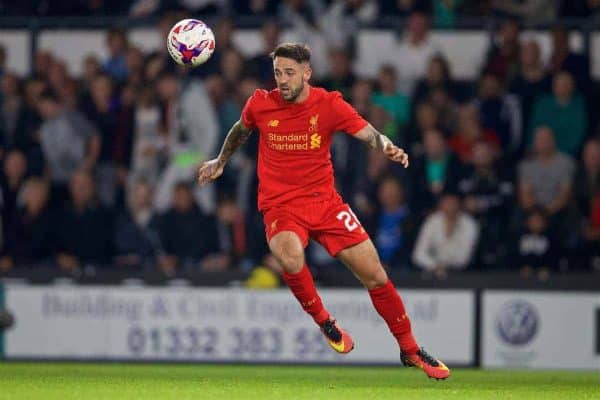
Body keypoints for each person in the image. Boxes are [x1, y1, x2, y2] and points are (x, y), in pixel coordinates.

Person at [198, 43, 450, 379]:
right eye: (278, 73)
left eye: (289, 73)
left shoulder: (329, 104)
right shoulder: (261, 103)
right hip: (281, 206)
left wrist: (388, 147)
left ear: (307, 73)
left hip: (326, 204)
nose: (283, 80)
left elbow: (366, 131)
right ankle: (325, 322)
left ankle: (410, 349)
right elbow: (240, 131)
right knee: (289, 256)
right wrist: (220, 160)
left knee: (375, 275)